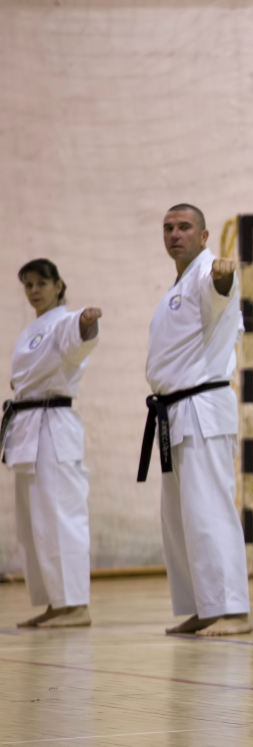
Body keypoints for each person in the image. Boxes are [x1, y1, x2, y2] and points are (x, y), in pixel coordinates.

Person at [138, 203, 251, 636]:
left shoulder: (208, 272)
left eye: (184, 227)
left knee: (209, 510)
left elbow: (222, 290)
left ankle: (232, 610)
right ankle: (205, 605)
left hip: (202, 408)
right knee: (180, 517)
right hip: (174, 412)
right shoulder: (178, 284)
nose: (174, 234)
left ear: (204, 236)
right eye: (168, 227)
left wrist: (224, 277)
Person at [4, 259, 100, 628]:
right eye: (28, 285)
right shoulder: (33, 329)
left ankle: (76, 605)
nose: (33, 291)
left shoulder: (65, 321)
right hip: (28, 427)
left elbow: (77, 341)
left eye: (41, 283)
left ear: (59, 285)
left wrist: (85, 323)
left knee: (61, 516)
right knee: (34, 523)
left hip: (54, 427)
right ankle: (54, 602)